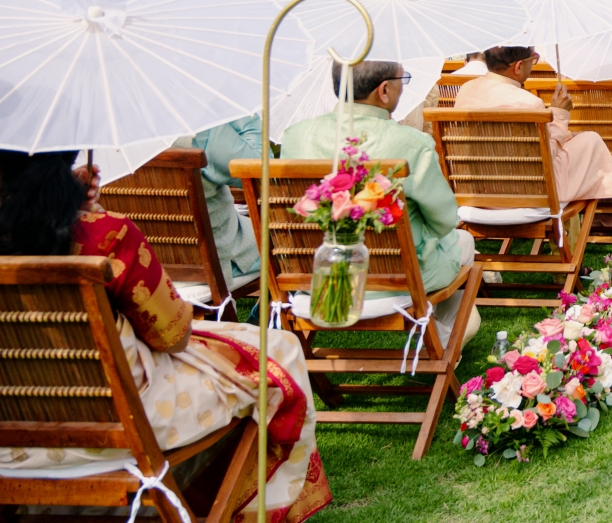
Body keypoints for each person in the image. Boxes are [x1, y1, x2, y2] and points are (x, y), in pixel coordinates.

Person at [0, 151, 332, 519]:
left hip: (11, 441)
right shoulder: (106, 234)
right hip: (125, 423)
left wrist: (67, 208)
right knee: (276, 356)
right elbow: (173, 336)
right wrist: (81, 212)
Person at [281, 60, 481, 347]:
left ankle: (441, 337)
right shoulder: (412, 143)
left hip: (316, 273)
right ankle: (444, 342)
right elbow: (445, 219)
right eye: (403, 79)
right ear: (384, 90)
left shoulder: (294, 136)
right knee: (463, 241)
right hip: (399, 278)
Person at [458, 46, 612, 202]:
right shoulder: (527, 103)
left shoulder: (465, 90)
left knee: (581, 139)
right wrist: (559, 114)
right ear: (518, 67)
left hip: (477, 192)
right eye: (533, 59)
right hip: (527, 193)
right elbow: (547, 155)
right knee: (591, 140)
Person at [176, 113, 264, 284]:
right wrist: (245, 114)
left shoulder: (120, 134)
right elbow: (263, 174)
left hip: (142, 260)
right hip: (214, 256)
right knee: (285, 241)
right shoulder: (199, 129)